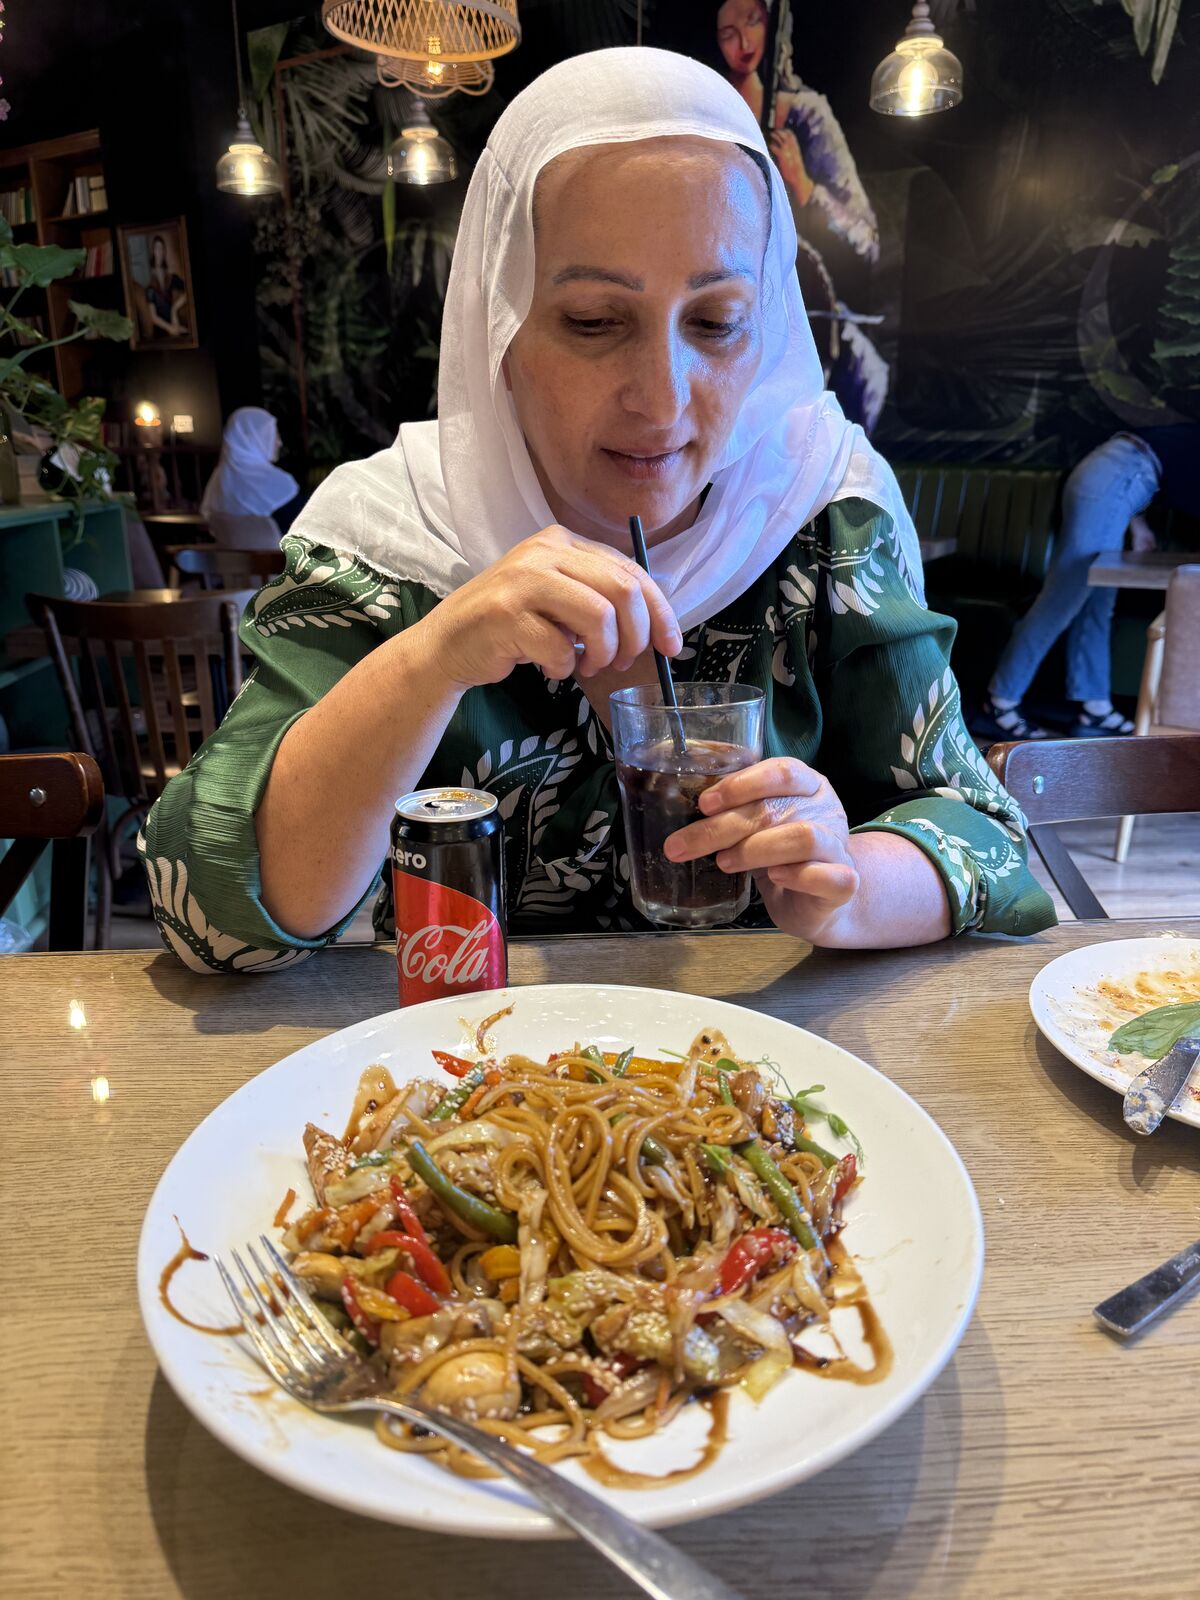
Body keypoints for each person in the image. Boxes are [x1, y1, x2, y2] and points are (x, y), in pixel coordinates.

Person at [138, 47, 1054, 975]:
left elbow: (983, 832)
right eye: (592, 321)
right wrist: (436, 656)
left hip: (758, 1054)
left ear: (769, 324)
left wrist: (849, 880)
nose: (661, 401)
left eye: (716, 322)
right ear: (499, 326)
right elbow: (207, 911)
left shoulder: (822, 514)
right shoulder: (388, 537)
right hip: (460, 1052)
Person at [713, 0, 888, 431]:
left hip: (806, 307)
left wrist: (804, 184)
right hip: (721, 308)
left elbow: (865, 240)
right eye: (728, 32)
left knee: (867, 377)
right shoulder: (707, 116)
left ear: (774, 25)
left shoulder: (807, 115)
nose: (744, 41)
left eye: (753, 22)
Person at [978, 425, 1200, 740]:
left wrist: (1138, 527)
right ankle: (999, 702)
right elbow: (1136, 468)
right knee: (1062, 599)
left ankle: (1095, 708)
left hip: (1116, 476)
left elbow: (1144, 469)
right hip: (1117, 476)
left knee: (1097, 601)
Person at [200, 406, 303, 548]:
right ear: (255, 438)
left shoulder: (219, 479)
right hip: (279, 561)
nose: (279, 443)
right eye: (273, 434)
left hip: (232, 561)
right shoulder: (277, 483)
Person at [144, 235, 188, 338]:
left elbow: (189, 291)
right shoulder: (150, 286)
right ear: (153, 252)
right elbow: (153, 317)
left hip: (175, 321)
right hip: (162, 328)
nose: (159, 252)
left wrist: (174, 309)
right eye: (157, 248)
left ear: (164, 252)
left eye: (161, 248)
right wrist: (170, 328)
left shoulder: (172, 278)